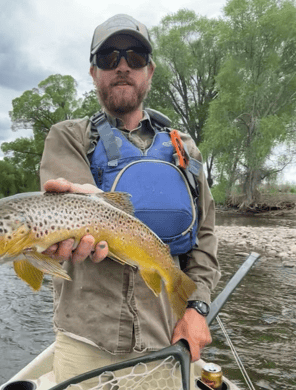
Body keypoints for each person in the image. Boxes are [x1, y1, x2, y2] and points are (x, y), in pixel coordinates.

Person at [39, 14, 220, 387]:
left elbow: (204, 238)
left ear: (149, 70)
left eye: (135, 57)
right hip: (83, 340)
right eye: (108, 58)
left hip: (163, 339)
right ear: (93, 72)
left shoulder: (184, 148)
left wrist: (197, 308)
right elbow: (70, 214)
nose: (122, 66)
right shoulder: (69, 136)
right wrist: (91, 205)